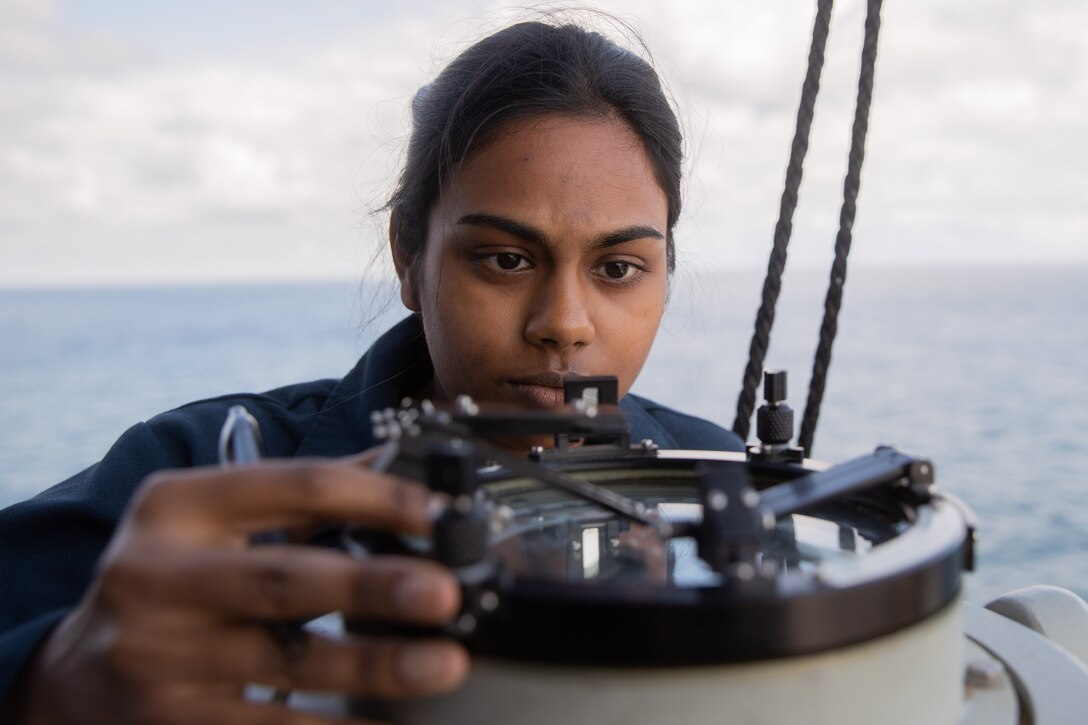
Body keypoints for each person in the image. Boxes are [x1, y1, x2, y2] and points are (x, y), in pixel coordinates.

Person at [0, 18, 744, 724]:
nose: (564, 322)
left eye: (618, 268)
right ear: (409, 256)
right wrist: (47, 686)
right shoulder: (186, 474)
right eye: (505, 259)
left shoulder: (726, 471)